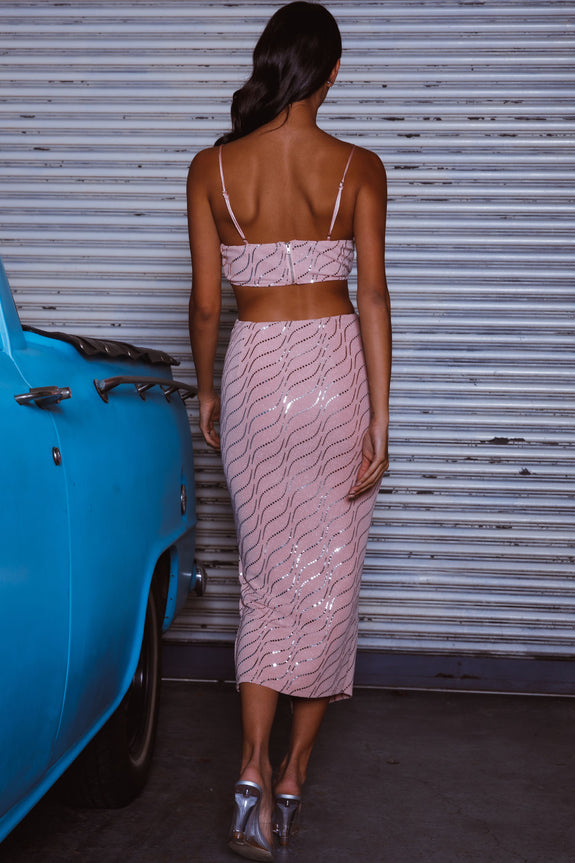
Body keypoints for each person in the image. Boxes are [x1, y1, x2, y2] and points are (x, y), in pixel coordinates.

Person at [187, 2, 391, 859]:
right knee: (329, 584)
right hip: (335, 377)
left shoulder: (211, 168)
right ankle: (294, 777)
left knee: (266, 579)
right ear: (331, 73)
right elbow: (372, 294)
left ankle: (249, 777)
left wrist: (206, 389)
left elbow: (206, 305)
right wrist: (380, 412)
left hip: (256, 378)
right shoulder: (358, 166)